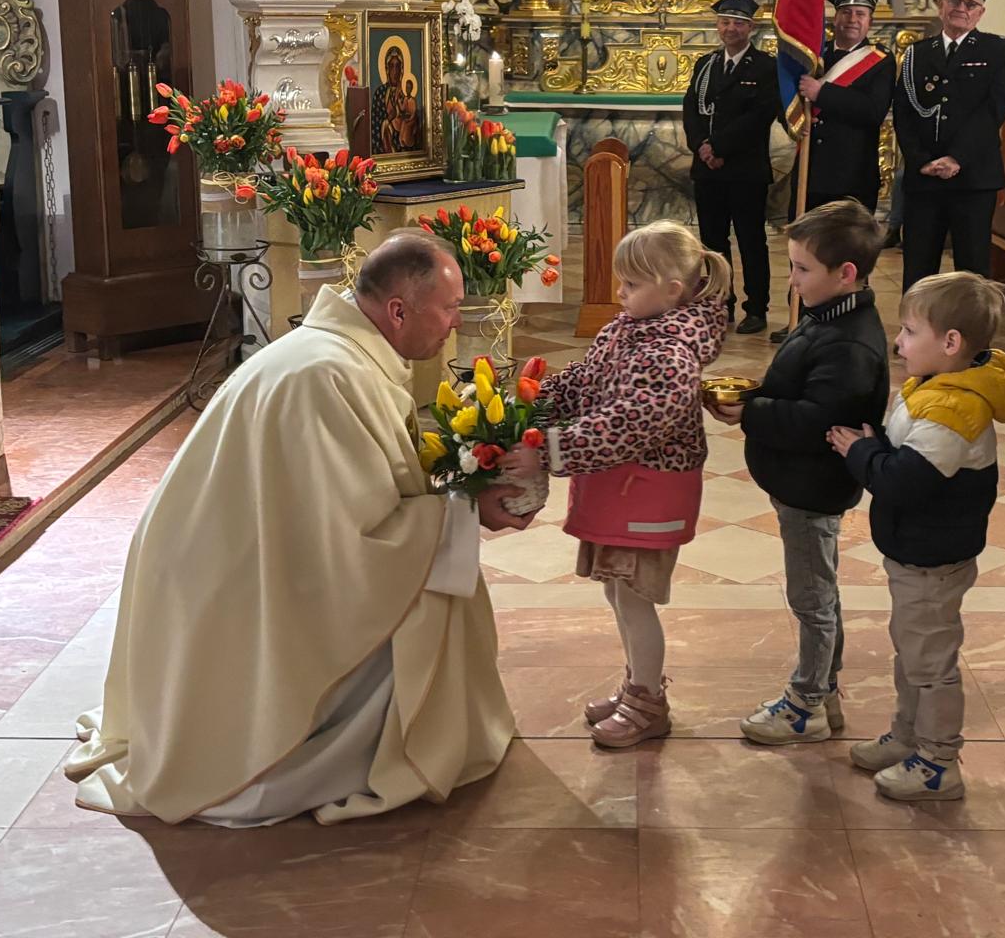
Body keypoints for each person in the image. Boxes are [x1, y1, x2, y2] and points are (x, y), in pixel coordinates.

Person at [64, 232, 532, 826]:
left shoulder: (339, 355)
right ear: (397, 310)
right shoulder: (327, 378)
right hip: (221, 590)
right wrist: (470, 513)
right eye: (448, 308)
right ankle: (324, 754)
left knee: (439, 571)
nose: (455, 323)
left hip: (228, 562)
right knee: (428, 598)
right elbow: (354, 550)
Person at [504, 222, 729, 747]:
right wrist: (531, 400)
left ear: (672, 289)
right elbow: (587, 379)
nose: (620, 294)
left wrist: (550, 451)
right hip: (619, 486)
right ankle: (636, 687)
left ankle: (648, 703)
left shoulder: (670, 353)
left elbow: (628, 423)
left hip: (648, 489)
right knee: (615, 590)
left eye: (631, 284)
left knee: (633, 598)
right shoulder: (630, 327)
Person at [828, 273, 1005, 801]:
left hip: (932, 558)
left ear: (950, 344)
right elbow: (906, 453)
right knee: (912, 652)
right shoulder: (938, 387)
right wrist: (880, 444)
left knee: (930, 662)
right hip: (918, 552)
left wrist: (861, 454)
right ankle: (908, 737)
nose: (898, 342)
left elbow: (904, 483)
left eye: (909, 330)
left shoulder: (953, 410)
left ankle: (939, 761)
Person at [707, 201, 890, 744]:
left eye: (802, 269)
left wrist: (754, 411)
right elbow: (803, 390)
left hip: (815, 487)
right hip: (800, 483)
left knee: (811, 599)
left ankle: (805, 702)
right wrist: (760, 394)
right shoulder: (830, 315)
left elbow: (819, 421)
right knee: (820, 591)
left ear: (846, 273)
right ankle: (824, 688)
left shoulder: (851, 341)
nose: (792, 279)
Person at [773, 0, 894, 342]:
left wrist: (823, 91)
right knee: (806, 249)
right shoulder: (813, 56)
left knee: (848, 252)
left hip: (851, 173)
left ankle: (846, 326)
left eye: (860, 13)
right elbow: (788, 102)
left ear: (869, 21)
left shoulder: (880, 63)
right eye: (845, 12)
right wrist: (795, 121)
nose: (852, 19)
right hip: (812, 170)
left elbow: (872, 111)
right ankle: (800, 318)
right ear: (834, 18)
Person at [893, 0, 1005, 287]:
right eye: (955, 1)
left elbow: (993, 111)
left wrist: (956, 157)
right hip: (924, 178)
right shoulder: (917, 53)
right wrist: (921, 161)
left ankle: (972, 337)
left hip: (973, 178)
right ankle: (914, 334)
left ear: (980, 12)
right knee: (918, 267)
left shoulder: (997, 50)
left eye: (970, 4)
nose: (961, 8)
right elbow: (903, 113)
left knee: (972, 270)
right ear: (940, 5)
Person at [684, 0, 781, 335]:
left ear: (750, 27)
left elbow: (758, 116)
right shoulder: (706, 64)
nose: (730, 29)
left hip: (745, 170)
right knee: (712, 241)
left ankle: (756, 307)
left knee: (751, 240)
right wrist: (700, 146)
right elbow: (691, 109)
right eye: (725, 22)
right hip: (707, 170)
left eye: (738, 23)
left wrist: (720, 147)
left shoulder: (766, 67)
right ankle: (718, 303)